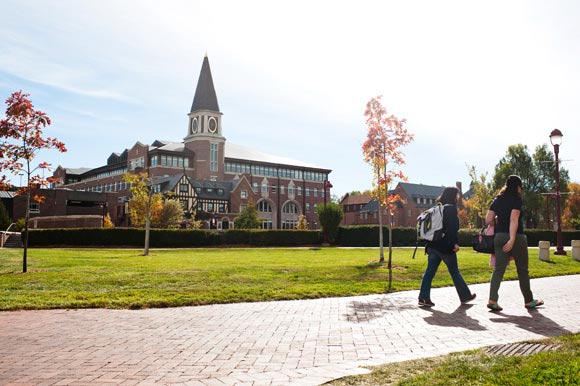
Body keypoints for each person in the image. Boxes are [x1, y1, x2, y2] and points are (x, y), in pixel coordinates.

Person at [485, 175, 543, 311]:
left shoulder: (497, 200)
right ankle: (529, 301)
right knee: (522, 270)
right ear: (517, 187)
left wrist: (499, 223)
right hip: (516, 237)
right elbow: (514, 219)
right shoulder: (516, 199)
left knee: (498, 270)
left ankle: (492, 300)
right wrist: (511, 239)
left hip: (498, 237)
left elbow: (488, 220)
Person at [418, 186, 476, 307]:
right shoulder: (451, 209)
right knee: (454, 271)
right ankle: (465, 296)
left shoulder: (437, 208)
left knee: (430, 272)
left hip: (433, 245)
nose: (458, 197)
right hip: (445, 246)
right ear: (453, 196)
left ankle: (423, 297)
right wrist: (455, 243)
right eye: (457, 195)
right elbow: (452, 229)